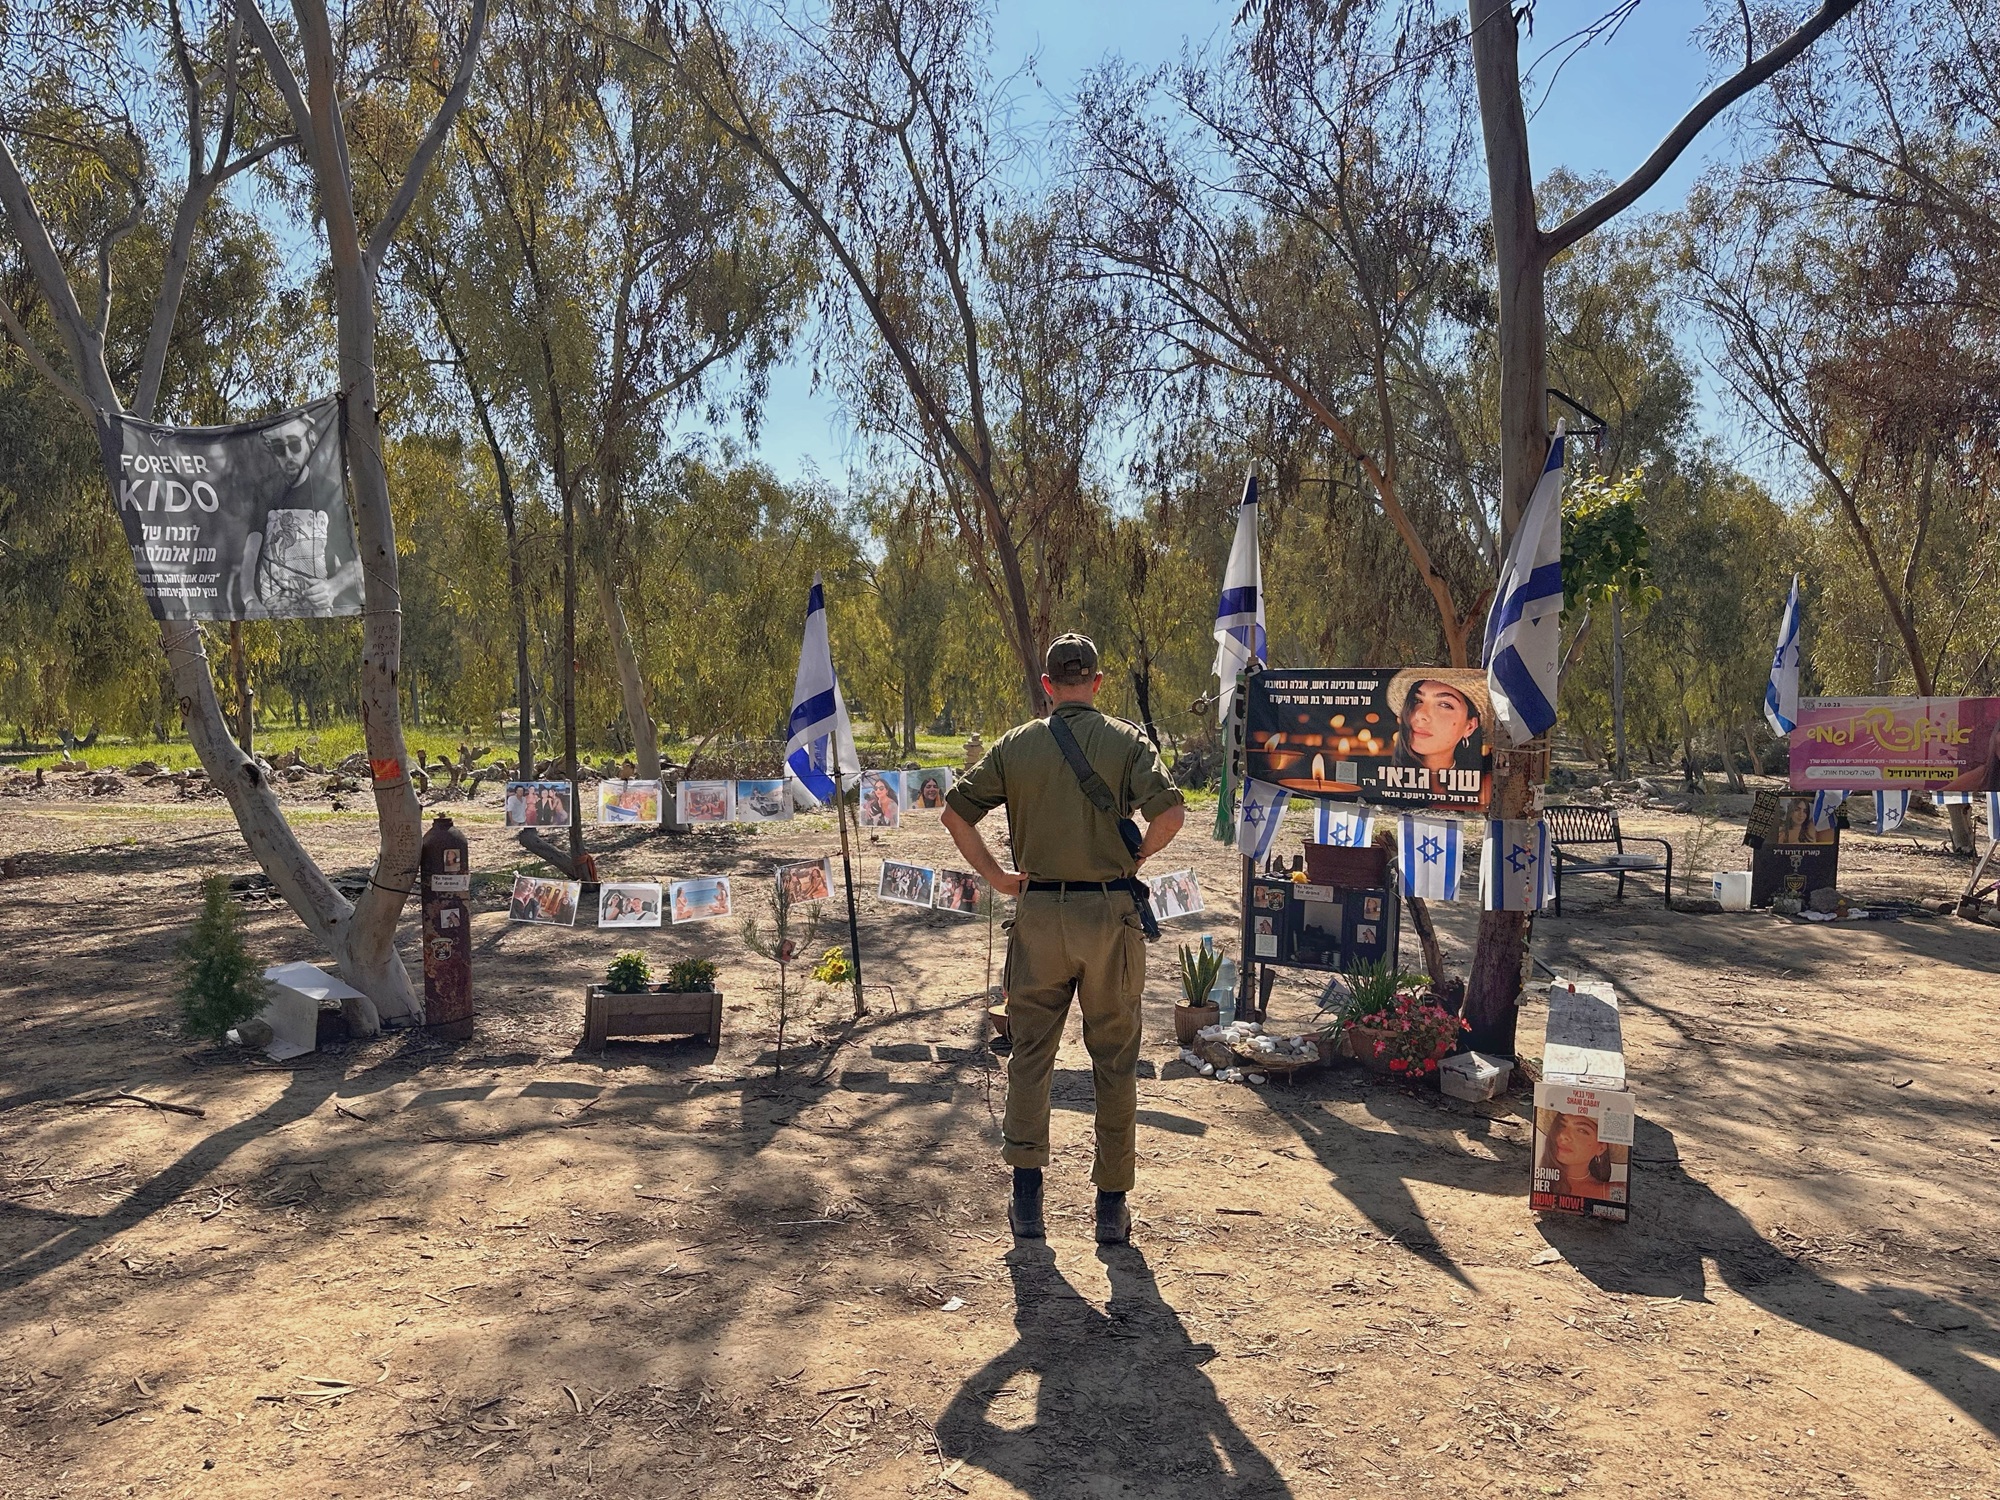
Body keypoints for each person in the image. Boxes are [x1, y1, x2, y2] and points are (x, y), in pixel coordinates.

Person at [943, 632, 1186, 1247]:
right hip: (1109, 918)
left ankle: (1027, 1203)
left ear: (1048, 686)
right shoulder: (1127, 741)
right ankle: (1111, 1208)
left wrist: (998, 877)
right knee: (1116, 1062)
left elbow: (954, 814)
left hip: (1039, 917)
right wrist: (1136, 859)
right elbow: (1170, 814)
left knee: (1030, 1056)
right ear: (1097, 683)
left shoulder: (1016, 744)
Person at [1385, 671, 1487, 777]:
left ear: (1470, 727)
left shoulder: (1481, 783)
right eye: (1417, 700)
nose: (1420, 714)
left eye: (1445, 705)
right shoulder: (1379, 778)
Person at [1539, 1110, 1613, 1200]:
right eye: (1562, 1125)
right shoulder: (1539, 1181)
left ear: (1601, 1148)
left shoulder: (1611, 1192)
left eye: (1582, 1131)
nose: (1564, 1135)